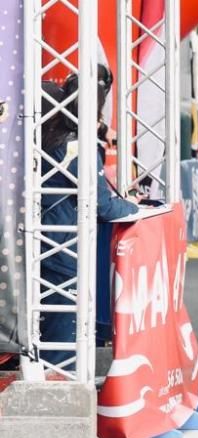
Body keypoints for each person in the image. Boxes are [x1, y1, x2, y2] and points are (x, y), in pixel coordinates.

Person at [39, 71, 141, 370]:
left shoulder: (41, 139)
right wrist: (134, 208)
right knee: (64, 318)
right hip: (61, 239)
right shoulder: (73, 144)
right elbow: (103, 206)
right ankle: (59, 379)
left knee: (44, 317)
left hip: (36, 234)